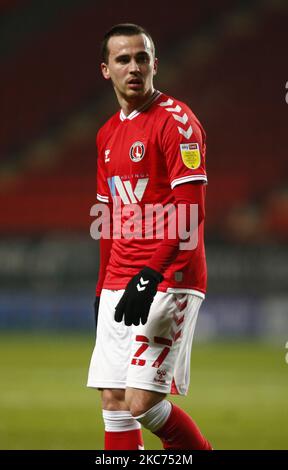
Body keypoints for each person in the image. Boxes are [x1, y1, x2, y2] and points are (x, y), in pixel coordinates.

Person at [87, 23, 212, 451]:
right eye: (123, 59)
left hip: (169, 278)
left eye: (142, 58)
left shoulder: (177, 123)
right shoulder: (106, 134)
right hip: (121, 280)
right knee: (114, 399)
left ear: (155, 64)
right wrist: (103, 286)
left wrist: (149, 274)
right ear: (107, 70)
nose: (134, 67)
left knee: (142, 400)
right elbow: (109, 218)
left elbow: (190, 212)